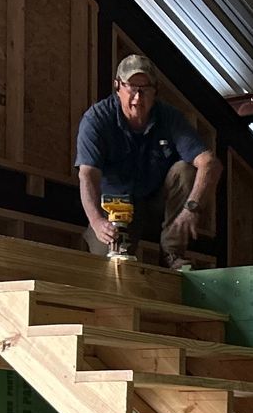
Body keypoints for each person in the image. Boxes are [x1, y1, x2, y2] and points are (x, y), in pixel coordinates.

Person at [75, 54, 219, 266]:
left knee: (185, 170)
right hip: (117, 205)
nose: (138, 97)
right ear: (118, 87)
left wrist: (192, 208)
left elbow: (209, 162)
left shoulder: (169, 117)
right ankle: (108, 248)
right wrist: (97, 222)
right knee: (104, 262)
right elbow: (87, 174)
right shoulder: (97, 119)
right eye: (132, 87)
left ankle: (172, 254)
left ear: (155, 90)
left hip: (155, 201)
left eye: (145, 89)